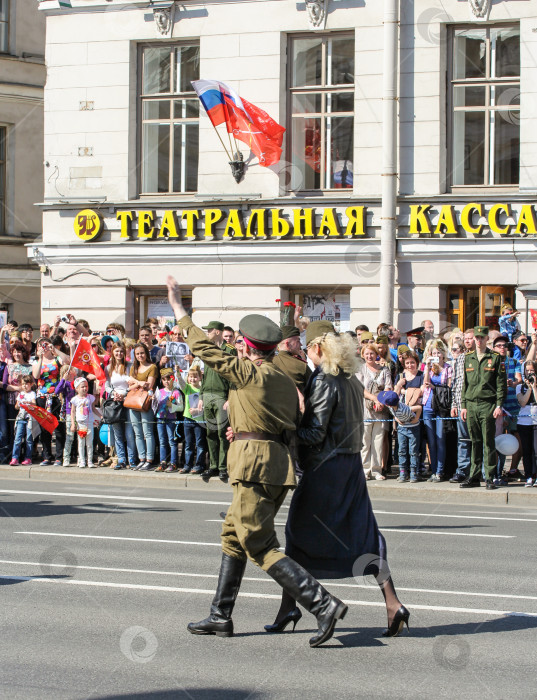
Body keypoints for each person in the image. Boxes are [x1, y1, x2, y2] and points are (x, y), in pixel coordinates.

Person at [167, 276, 348, 648]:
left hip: (255, 465)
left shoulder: (249, 372)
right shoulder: (281, 378)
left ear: (248, 348)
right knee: (233, 536)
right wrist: (245, 428)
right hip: (272, 462)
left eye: (239, 345)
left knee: (258, 543)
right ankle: (220, 615)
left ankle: (322, 603)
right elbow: (283, 422)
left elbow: (206, 350)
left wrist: (179, 311)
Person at [267, 320, 409, 640]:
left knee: (296, 535)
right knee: (366, 537)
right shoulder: (349, 378)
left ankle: (303, 608)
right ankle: (393, 603)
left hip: (325, 469)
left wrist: (285, 429)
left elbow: (315, 433)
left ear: (318, 348)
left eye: (308, 347)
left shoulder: (324, 380)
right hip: (351, 467)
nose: (306, 353)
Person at [460, 327, 507, 490]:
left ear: (487, 339)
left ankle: (490, 477)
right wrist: (464, 405)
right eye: (476, 338)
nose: (478, 340)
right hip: (472, 404)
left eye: (481, 338)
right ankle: (474, 476)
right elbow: (464, 384)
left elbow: (501, 384)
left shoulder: (494, 357)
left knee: (488, 442)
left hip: (488, 404)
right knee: (475, 441)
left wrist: (499, 405)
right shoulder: (468, 358)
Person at [200, 320, 237, 483]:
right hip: (208, 394)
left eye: (209, 331)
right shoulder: (208, 350)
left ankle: (223, 467)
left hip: (222, 395)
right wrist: (201, 396)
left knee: (222, 432)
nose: (207, 333)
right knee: (210, 433)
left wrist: (230, 397)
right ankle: (213, 465)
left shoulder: (229, 350)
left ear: (216, 332)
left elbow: (232, 375)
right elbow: (205, 375)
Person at [357, 343, 393, 480]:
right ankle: (365, 470)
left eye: (371, 353)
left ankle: (376, 470)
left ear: (376, 354)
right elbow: (360, 389)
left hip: (381, 410)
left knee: (378, 441)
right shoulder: (360, 369)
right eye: (366, 353)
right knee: (365, 441)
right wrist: (374, 399)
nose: (369, 356)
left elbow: (388, 387)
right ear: (363, 355)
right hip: (365, 409)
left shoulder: (385, 370)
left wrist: (382, 401)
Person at [32, 337, 67, 466]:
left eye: (45, 344)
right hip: (42, 397)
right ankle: (46, 456)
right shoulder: (36, 361)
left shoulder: (57, 359)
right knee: (44, 427)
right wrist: (41, 357)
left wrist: (55, 351)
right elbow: (36, 376)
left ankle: (59, 456)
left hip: (55, 397)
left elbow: (67, 360)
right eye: (41, 345)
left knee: (58, 426)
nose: (43, 347)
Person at [492, 334, 522, 484]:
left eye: (504, 345)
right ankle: (497, 471)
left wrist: (513, 383)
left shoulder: (514, 362)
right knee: (498, 441)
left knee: (516, 438)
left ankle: (512, 469)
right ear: (494, 348)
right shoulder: (491, 362)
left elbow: (519, 380)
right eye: (499, 345)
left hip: (513, 407)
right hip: (497, 408)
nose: (502, 348)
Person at [422, 339, 452, 482]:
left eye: (438, 352)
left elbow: (449, 388)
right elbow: (425, 384)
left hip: (441, 407)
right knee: (431, 441)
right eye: (434, 353)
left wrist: (436, 388)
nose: (436, 355)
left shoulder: (448, 368)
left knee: (441, 439)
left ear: (443, 353)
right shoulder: (428, 368)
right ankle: (433, 470)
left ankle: (440, 471)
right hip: (428, 405)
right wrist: (427, 367)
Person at [105, 342, 137, 470]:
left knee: (129, 433)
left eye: (121, 351)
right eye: (117, 351)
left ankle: (132, 459)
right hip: (115, 402)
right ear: (113, 352)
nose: (119, 354)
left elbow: (133, 384)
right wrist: (113, 393)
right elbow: (107, 385)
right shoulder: (108, 368)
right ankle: (121, 459)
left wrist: (124, 394)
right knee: (117, 433)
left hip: (128, 400)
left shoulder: (130, 366)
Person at [394, 351, 424, 482]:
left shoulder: (421, 376)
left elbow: (422, 393)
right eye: (407, 363)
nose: (410, 365)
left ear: (417, 363)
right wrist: (399, 385)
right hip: (401, 418)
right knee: (402, 449)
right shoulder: (401, 376)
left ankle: (414, 471)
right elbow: (393, 398)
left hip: (415, 416)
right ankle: (402, 472)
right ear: (404, 364)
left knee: (414, 449)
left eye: (412, 362)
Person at [449, 330, 475, 483]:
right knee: (463, 440)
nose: (467, 341)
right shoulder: (460, 359)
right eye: (466, 339)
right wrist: (454, 404)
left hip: (475, 405)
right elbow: (457, 383)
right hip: (460, 405)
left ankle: (480, 470)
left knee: (478, 440)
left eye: (470, 339)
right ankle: (462, 470)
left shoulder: (482, 358)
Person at [128, 342, 158, 470]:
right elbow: (129, 386)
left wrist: (135, 382)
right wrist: (139, 382)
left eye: (142, 353)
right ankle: (141, 458)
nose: (140, 356)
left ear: (146, 353)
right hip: (133, 402)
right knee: (137, 432)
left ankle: (149, 459)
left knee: (148, 432)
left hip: (146, 402)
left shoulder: (152, 367)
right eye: (137, 354)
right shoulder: (133, 368)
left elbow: (149, 385)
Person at [175, 365, 207, 474]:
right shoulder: (187, 388)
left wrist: (198, 411)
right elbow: (181, 383)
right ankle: (187, 465)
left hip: (200, 420)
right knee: (188, 444)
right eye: (190, 377)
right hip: (188, 419)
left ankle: (199, 465)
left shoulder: (203, 389)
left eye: (195, 377)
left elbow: (205, 405)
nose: (192, 379)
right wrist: (178, 374)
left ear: (200, 378)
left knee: (200, 444)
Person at [154, 367, 183, 472]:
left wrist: (172, 406)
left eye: (169, 379)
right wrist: (153, 401)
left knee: (172, 441)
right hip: (160, 419)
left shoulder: (176, 392)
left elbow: (181, 407)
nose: (166, 382)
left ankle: (173, 462)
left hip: (171, 419)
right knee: (162, 441)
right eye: (164, 379)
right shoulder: (159, 392)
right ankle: (163, 462)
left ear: (173, 379)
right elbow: (155, 406)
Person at [71, 377, 100, 468]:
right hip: (81, 424)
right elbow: (73, 412)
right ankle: (82, 460)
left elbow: (93, 409)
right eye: (82, 387)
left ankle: (90, 461)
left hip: (89, 423)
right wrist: (73, 423)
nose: (85, 388)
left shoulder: (90, 398)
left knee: (89, 443)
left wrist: (100, 416)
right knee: (81, 443)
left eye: (86, 386)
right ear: (77, 389)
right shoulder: (75, 399)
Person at [516, 361, 537, 487]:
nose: (529, 373)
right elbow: (522, 402)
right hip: (524, 422)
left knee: (536, 450)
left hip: (536, 422)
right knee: (527, 451)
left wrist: (534, 386)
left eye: (532, 370)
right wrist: (529, 387)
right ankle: (528, 476)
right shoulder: (520, 387)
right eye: (527, 370)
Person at [273, 325, 312, 394]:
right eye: (298, 341)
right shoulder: (301, 365)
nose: (301, 344)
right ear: (287, 344)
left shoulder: (270, 362)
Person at [10, 374, 36, 466]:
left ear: (31, 384)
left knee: (29, 439)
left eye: (27, 384)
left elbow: (34, 403)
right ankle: (15, 458)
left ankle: (28, 458)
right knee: (17, 438)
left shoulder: (32, 393)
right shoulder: (21, 394)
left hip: (29, 418)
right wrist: (19, 404)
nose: (25, 386)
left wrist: (29, 403)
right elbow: (16, 406)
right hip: (21, 417)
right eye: (23, 384)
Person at [55, 365, 77, 467]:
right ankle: (66, 458)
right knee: (70, 436)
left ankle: (80, 457)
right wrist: (63, 379)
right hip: (69, 412)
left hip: (81, 411)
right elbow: (56, 391)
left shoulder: (78, 382)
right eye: (72, 369)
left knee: (81, 435)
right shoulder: (66, 384)